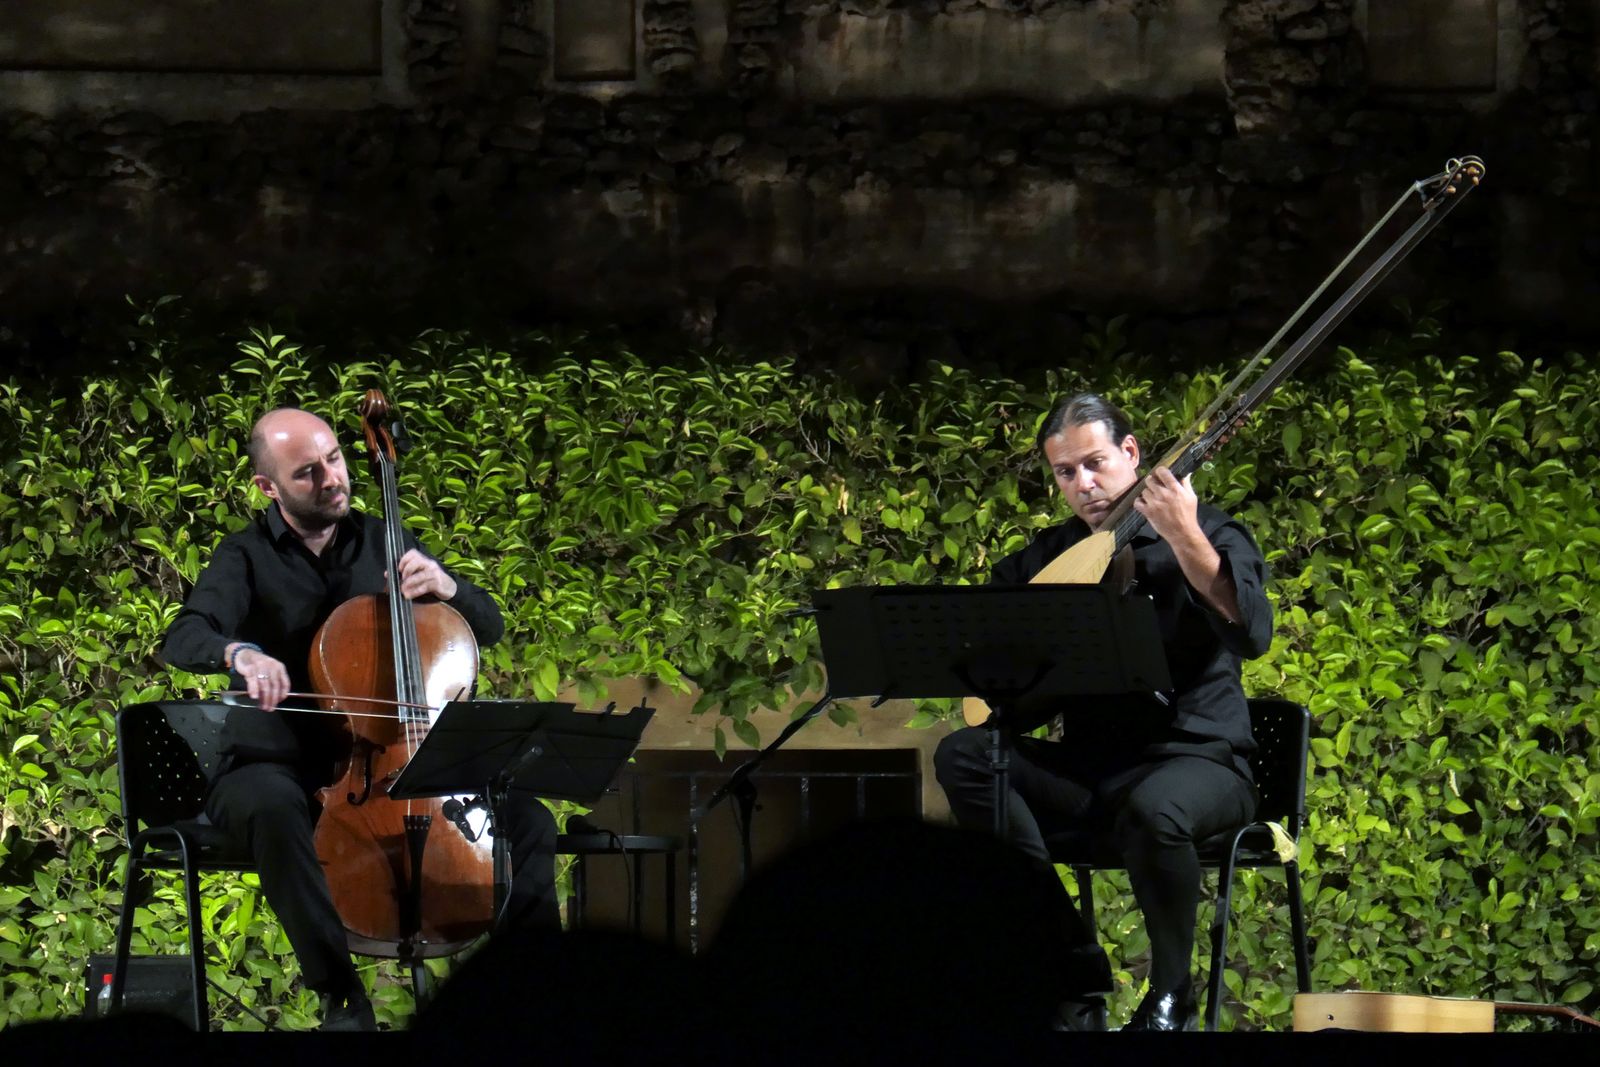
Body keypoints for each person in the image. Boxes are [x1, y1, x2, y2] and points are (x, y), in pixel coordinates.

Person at [160, 407, 558, 1030]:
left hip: (396, 759)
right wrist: (238, 651)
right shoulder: (244, 555)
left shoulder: (386, 541)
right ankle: (341, 996)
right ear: (269, 487)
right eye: (307, 471)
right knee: (268, 805)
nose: (331, 477)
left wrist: (450, 589)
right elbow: (184, 636)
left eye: (336, 459)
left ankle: (535, 992)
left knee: (528, 820)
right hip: (279, 763)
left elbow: (490, 626)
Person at [934, 393, 1273, 1032]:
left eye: (1095, 464)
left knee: (1156, 808)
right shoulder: (1046, 557)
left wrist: (1184, 535)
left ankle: (1172, 995)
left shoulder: (1212, 533)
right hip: (1093, 771)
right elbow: (993, 693)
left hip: (1198, 762)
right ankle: (1068, 969)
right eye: (1066, 472)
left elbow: (1251, 633)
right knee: (966, 755)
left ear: (1132, 454)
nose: (1084, 484)